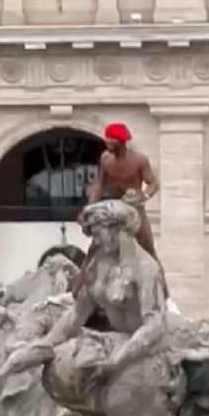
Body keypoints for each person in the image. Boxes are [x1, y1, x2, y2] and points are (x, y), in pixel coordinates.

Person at [75, 121, 168, 299]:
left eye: (111, 139)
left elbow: (153, 183)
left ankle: (165, 297)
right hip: (113, 210)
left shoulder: (139, 160)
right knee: (94, 248)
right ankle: (76, 293)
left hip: (134, 211)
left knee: (149, 250)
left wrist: (144, 196)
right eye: (106, 138)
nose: (107, 142)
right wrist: (88, 209)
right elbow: (100, 185)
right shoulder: (105, 159)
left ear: (121, 141)